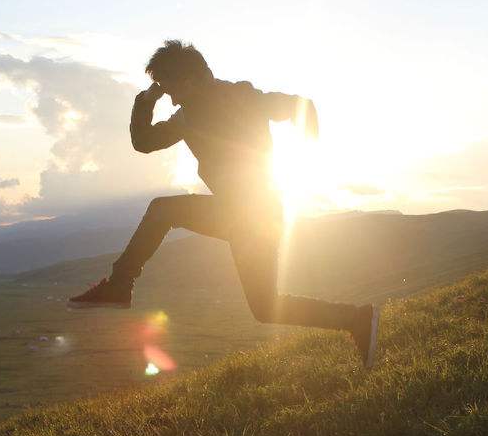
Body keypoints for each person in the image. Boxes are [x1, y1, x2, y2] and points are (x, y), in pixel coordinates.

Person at [68, 40, 380, 368]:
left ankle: (119, 286)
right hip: (242, 215)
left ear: (190, 80)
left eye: (171, 88)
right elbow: (143, 143)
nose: (170, 97)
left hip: (257, 212)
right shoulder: (186, 116)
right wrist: (145, 101)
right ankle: (358, 319)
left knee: (164, 210)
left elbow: (303, 106)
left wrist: (309, 160)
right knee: (265, 308)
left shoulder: (239, 96)